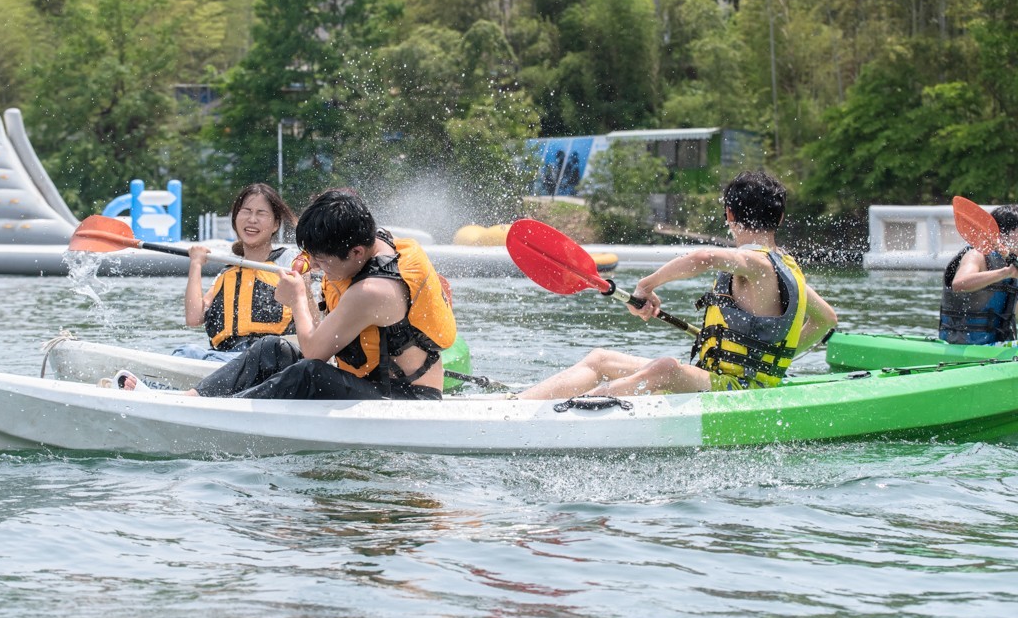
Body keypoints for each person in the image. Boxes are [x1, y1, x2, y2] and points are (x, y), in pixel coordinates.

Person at [520, 170, 838, 400]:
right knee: (601, 359)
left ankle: (573, 411)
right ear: (780, 218)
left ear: (729, 214)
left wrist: (646, 285)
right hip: (718, 379)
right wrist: (772, 356)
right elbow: (827, 320)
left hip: (741, 391)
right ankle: (519, 405)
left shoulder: (757, 264)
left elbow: (705, 256)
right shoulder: (788, 273)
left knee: (665, 369)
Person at [120, 188, 457, 400]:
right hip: (368, 380)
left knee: (307, 373)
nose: (319, 267)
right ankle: (192, 398)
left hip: (403, 397)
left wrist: (298, 298)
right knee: (271, 348)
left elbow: (314, 355)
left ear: (356, 252)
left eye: (323, 260)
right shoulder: (371, 238)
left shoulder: (373, 291)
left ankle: (217, 411)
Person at [171, 183, 300, 363]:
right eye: (246, 211)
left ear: (275, 224)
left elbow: (308, 313)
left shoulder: (287, 262)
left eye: (261, 213)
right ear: (235, 218)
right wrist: (196, 264)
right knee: (187, 351)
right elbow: (194, 317)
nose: (252, 219)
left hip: (268, 357)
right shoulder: (228, 273)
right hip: (225, 356)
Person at [938, 205, 1018, 345]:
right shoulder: (977, 255)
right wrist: (1007, 272)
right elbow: (959, 284)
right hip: (961, 344)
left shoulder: (1014, 263)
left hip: (999, 346)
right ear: (1003, 234)